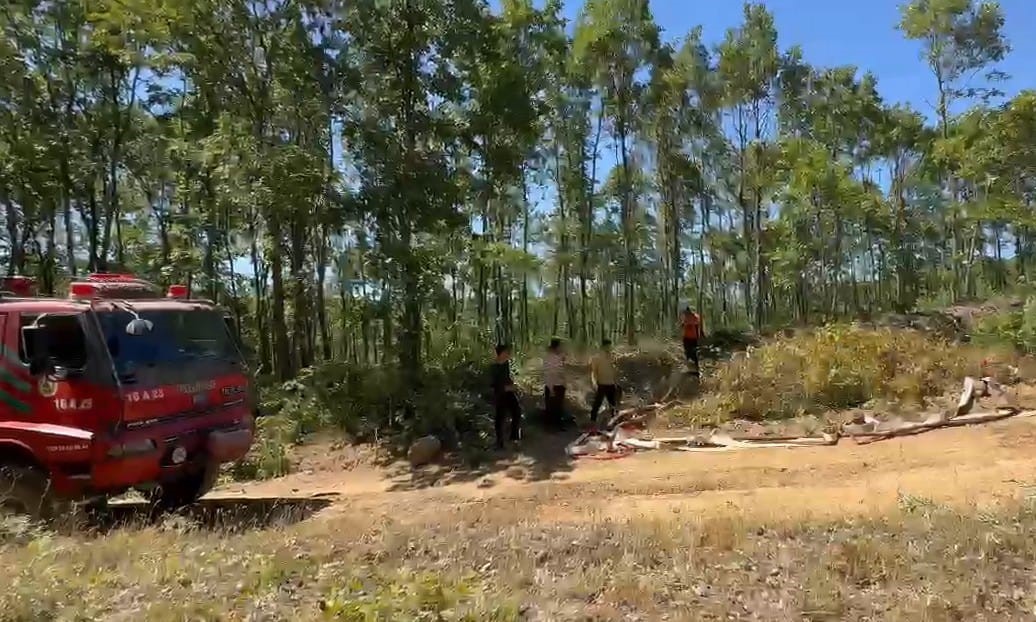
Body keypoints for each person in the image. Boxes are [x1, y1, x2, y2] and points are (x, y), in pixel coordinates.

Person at [489, 343, 521, 449]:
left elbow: (507, 378)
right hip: (500, 395)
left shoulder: (506, 364)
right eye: (506, 352)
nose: (508, 354)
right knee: (500, 418)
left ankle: (514, 437)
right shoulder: (494, 368)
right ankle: (499, 442)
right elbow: (492, 384)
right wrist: (505, 388)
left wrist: (513, 385)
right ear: (501, 353)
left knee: (517, 412)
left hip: (509, 393)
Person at [589, 338, 619, 428]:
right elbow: (594, 372)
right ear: (603, 346)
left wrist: (615, 381)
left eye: (610, 346)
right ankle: (592, 421)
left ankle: (614, 421)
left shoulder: (613, 357)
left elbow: (614, 370)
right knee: (597, 403)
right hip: (601, 383)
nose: (609, 348)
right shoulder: (596, 358)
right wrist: (594, 383)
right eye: (608, 346)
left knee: (612, 403)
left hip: (611, 383)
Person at [542, 337, 567, 429]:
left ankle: (556, 424)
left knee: (558, 406)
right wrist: (551, 388)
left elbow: (562, 371)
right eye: (561, 346)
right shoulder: (550, 358)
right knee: (552, 406)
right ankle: (552, 425)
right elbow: (549, 374)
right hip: (553, 385)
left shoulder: (559, 357)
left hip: (559, 384)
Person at [680, 306, 702, 375]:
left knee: (693, 353)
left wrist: (686, 323)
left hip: (692, 338)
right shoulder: (687, 317)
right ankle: (690, 368)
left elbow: (695, 324)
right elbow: (683, 325)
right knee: (688, 353)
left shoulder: (695, 317)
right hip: (687, 338)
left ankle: (696, 369)